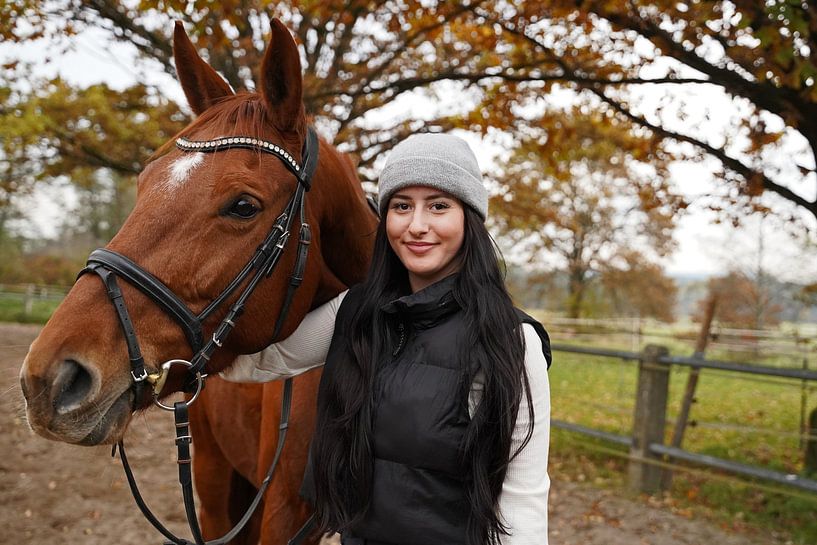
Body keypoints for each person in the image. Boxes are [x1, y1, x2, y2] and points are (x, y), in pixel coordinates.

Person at [222, 133, 552, 545]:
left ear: (469, 218)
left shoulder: (511, 341)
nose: (417, 226)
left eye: (438, 206)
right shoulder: (355, 312)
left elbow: (522, 501)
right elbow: (257, 363)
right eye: (401, 206)